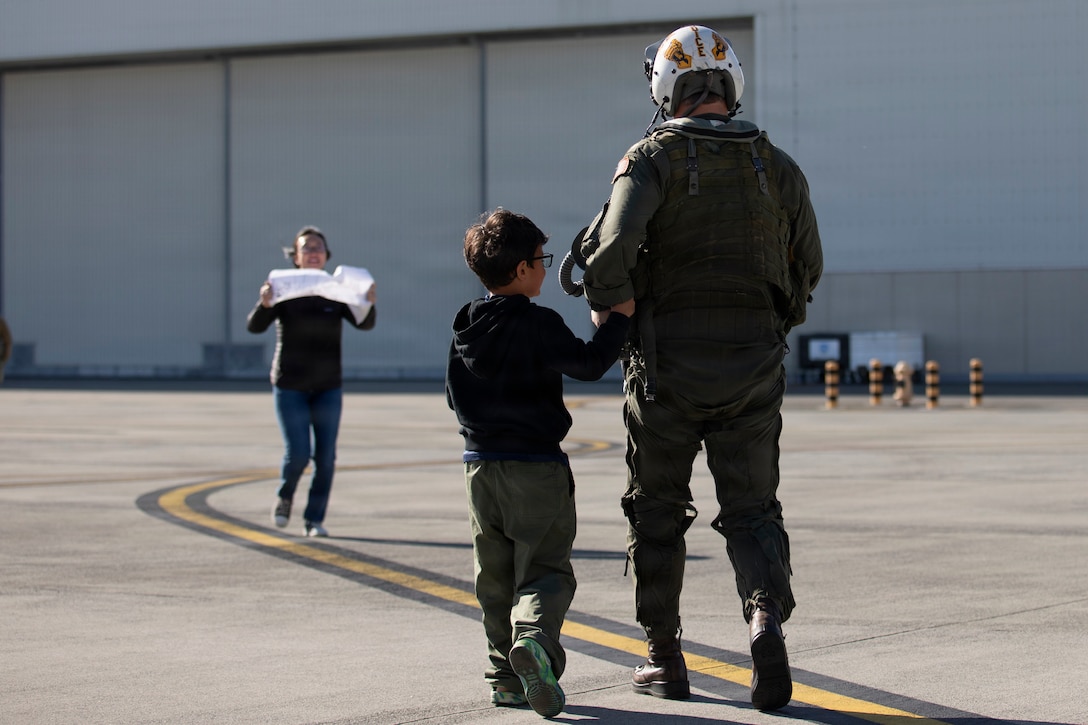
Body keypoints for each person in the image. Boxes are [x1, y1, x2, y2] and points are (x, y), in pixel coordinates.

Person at [577, 25, 823, 712]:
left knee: (656, 512)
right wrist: (775, 326)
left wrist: (612, 311)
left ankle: (662, 656)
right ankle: (764, 617)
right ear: (730, 84)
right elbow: (810, 262)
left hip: (665, 373)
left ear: (665, 87)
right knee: (753, 509)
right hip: (753, 369)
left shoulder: (650, 157)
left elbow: (614, 247)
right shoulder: (774, 164)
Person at [446, 208, 634, 717]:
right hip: (536, 467)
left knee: (495, 578)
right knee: (546, 570)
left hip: (479, 467)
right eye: (542, 261)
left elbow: (453, 399)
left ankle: (503, 680)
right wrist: (620, 319)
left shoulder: (465, 323)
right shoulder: (538, 323)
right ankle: (533, 644)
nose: (546, 270)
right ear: (524, 270)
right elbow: (590, 363)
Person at [246, 226, 377, 537]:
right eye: (306, 248)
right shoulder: (284, 287)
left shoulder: (337, 289)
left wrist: (368, 302)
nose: (313, 251)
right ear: (297, 257)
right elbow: (254, 326)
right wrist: (264, 304)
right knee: (299, 454)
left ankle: (314, 519)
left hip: (328, 385)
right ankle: (285, 495)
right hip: (290, 384)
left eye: (318, 247)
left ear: (327, 255)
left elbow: (365, 324)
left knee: (326, 458)